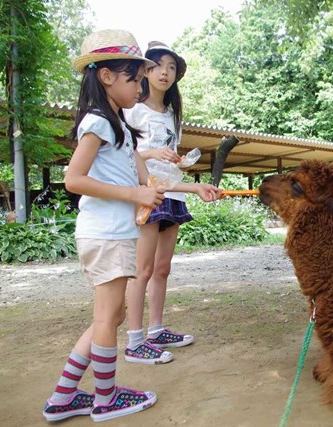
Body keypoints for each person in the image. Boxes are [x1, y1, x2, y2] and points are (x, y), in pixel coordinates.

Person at [42, 30, 220, 422]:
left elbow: (151, 183)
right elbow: (74, 179)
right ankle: (105, 398)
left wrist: (195, 186)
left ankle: (63, 397)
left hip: (115, 234)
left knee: (110, 317)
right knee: (109, 318)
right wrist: (134, 197)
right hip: (104, 233)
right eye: (134, 78)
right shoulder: (99, 122)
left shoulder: (120, 127)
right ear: (106, 76)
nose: (140, 85)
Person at [122, 42, 203, 364]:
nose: (165, 72)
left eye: (171, 67)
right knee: (141, 269)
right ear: (145, 71)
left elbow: (168, 155)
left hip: (173, 191)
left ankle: (155, 330)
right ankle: (134, 340)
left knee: (162, 268)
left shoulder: (172, 113)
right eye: (157, 66)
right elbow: (123, 154)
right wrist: (151, 153)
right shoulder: (131, 109)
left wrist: (181, 161)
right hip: (146, 193)